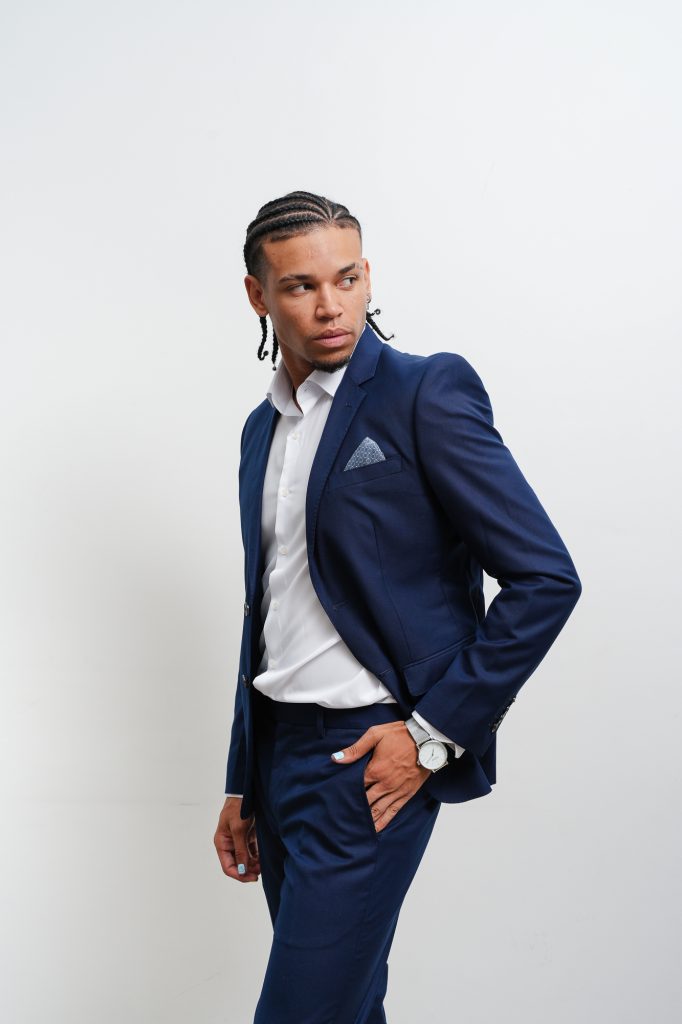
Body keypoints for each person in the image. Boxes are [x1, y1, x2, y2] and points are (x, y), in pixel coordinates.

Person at [213, 190, 582, 1023]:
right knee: (345, 1008)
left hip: (368, 761)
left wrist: (430, 736)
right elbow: (268, 610)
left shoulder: (423, 391)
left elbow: (545, 578)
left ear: (368, 275)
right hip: (278, 760)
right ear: (258, 295)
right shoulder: (260, 431)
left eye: (346, 278)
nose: (330, 305)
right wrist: (242, 780)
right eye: (301, 285)